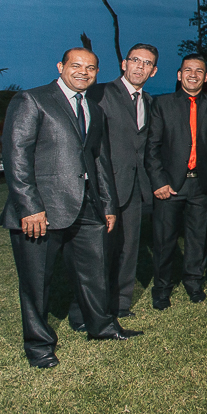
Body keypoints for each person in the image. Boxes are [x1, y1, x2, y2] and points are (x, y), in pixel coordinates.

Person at [0, 47, 141, 368]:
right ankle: (39, 347)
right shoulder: (31, 100)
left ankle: (101, 327)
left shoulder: (94, 108)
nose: (83, 72)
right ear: (61, 66)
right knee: (37, 282)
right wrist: (30, 207)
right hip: (41, 211)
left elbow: (99, 160)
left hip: (88, 206)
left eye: (91, 68)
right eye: (76, 66)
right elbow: (16, 157)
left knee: (94, 272)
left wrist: (107, 204)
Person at [69, 43, 156, 330]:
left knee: (128, 248)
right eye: (135, 60)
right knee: (96, 252)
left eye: (147, 63)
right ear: (123, 63)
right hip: (101, 187)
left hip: (133, 188)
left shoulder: (150, 102)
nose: (140, 67)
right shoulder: (99, 92)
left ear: (153, 71)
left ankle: (120, 304)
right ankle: (83, 313)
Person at [145, 53, 207, 309]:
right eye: (188, 70)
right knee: (164, 240)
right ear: (179, 75)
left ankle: (193, 283)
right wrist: (158, 181)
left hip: (200, 185)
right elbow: (152, 147)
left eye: (199, 71)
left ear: (206, 77)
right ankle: (162, 288)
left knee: (197, 238)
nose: (193, 74)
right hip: (169, 185)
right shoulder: (162, 104)